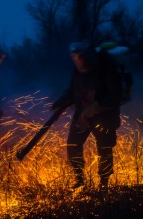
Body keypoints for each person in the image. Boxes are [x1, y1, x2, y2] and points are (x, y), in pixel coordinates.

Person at [52, 41, 123, 193]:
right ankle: (79, 180)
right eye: (75, 57)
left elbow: (114, 96)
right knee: (73, 145)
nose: (78, 60)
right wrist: (61, 101)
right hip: (83, 113)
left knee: (105, 148)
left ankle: (104, 183)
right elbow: (73, 90)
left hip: (104, 115)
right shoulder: (78, 71)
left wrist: (93, 108)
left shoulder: (106, 67)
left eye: (81, 56)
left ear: (88, 55)